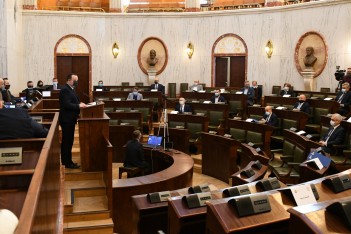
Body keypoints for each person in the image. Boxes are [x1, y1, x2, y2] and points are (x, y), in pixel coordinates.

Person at [59, 73, 87, 169]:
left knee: (69, 141)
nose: (76, 82)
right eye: (75, 80)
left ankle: (67, 161)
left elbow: (72, 102)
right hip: (67, 120)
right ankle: (67, 162)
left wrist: (79, 103)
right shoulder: (65, 90)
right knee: (67, 142)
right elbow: (67, 104)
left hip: (70, 119)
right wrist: (78, 106)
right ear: (69, 80)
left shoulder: (71, 89)